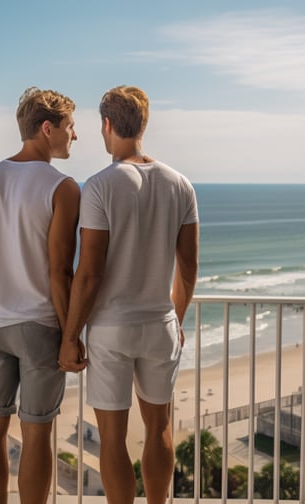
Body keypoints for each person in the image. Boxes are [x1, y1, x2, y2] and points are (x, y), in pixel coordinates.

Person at [58, 85, 199, 504]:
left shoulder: (100, 185)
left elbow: (90, 273)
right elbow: (188, 267)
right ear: (144, 123)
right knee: (159, 429)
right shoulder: (181, 184)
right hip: (160, 324)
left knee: (113, 438)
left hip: (111, 329)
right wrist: (176, 317)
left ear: (106, 124)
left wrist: (70, 335)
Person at [0, 86, 80, 504]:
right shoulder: (62, 188)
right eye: (70, 127)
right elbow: (60, 270)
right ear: (48, 129)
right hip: (40, 326)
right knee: (37, 432)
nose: (74, 136)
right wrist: (69, 334)